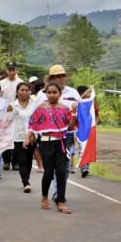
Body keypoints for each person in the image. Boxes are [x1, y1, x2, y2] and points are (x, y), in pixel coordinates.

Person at [23, 82, 77, 214]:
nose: (52, 95)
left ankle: (60, 202)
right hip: (46, 143)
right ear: (46, 93)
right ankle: (44, 197)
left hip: (61, 143)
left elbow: (70, 126)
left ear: (60, 94)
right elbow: (33, 125)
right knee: (48, 172)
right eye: (49, 92)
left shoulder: (65, 108)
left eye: (55, 92)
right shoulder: (40, 108)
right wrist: (27, 137)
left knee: (61, 172)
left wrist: (74, 113)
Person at [33, 65, 80, 201]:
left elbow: (80, 115)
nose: (60, 78)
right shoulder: (43, 94)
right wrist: (32, 134)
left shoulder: (74, 93)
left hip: (67, 135)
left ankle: (57, 194)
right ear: (51, 79)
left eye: (62, 76)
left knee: (63, 168)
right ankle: (51, 195)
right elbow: (34, 115)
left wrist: (75, 111)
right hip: (48, 137)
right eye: (56, 76)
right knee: (50, 169)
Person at [7, 82, 35, 193]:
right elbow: (7, 121)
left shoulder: (34, 105)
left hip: (32, 136)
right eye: (21, 90)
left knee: (29, 160)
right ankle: (25, 183)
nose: (24, 92)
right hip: (17, 137)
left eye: (26, 90)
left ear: (29, 92)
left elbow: (37, 121)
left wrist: (34, 135)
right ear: (17, 92)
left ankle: (26, 178)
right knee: (22, 160)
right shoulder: (12, 106)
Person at [76, 85, 100, 178]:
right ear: (82, 94)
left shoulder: (91, 103)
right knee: (83, 147)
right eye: (88, 92)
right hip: (80, 130)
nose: (89, 94)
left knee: (88, 147)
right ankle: (84, 167)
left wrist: (94, 124)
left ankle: (85, 167)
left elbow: (97, 115)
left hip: (90, 129)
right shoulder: (77, 103)